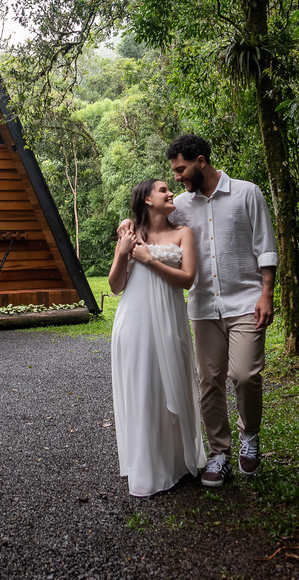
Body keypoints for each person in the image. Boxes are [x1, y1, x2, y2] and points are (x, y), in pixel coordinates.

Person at [119, 134, 278, 488]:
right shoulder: (182, 206)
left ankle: (249, 435)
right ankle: (219, 452)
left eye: (181, 169)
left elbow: (265, 247)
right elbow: (148, 224)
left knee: (246, 375)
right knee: (209, 383)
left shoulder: (247, 193)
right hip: (204, 307)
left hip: (245, 301)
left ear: (201, 162)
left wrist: (267, 294)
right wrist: (126, 225)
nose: (176, 177)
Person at [108, 179, 205, 497]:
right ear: (147, 199)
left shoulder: (182, 233)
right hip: (134, 323)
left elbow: (188, 279)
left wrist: (149, 259)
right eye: (163, 190)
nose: (170, 193)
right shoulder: (129, 232)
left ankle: (175, 462)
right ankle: (147, 468)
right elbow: (115, 285)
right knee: (143, 388)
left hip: (170, 320)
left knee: (170, 383)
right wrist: (124, 253)